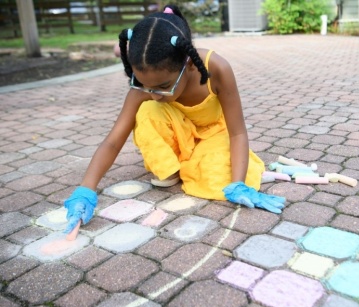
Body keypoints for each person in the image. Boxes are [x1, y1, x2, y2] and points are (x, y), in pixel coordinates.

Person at [63, 4, 285, 233]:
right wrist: (85, 190)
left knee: (219, 180)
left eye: (162, 87)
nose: (151, 94)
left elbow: (237, 132)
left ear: (188, 64)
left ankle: (200, 165)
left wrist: (238, 182)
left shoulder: (216, 68)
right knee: (147, 111)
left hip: (214, 135)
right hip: (179, 136)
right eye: (143, 85)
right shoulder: (146, 85)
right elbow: (112, 141)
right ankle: (175, 169)